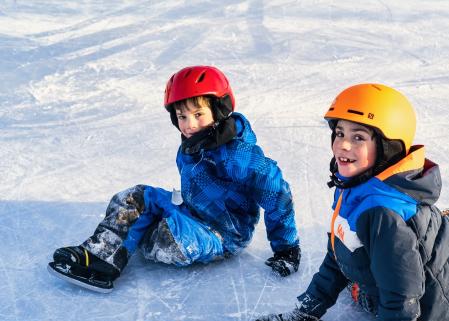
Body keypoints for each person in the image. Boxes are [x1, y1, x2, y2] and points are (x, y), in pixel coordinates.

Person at [250, 83, 449, 321]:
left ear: (387, 148)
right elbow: (339, 254)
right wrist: (308, 311)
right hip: (412, 263)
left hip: (440, 307)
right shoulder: (355, 186)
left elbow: (402, 291)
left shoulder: (382, 215)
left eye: (358, 136)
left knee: (437, 249)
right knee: (423, 235)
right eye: (339, 133)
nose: (343, 145)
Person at [48, 66, 300, 293]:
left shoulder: (236, 154)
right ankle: (99, 256)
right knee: (135, 197)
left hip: (221, 234)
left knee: (168, 241)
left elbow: (276, 190)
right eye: (182, 116)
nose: (189, 124)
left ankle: (125, 240)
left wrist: (286, 247)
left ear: (220, 109)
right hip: (191, 212)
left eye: (199, 114)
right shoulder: (192, 146)